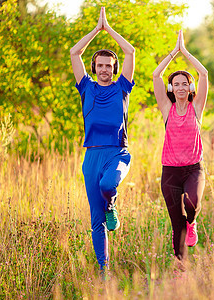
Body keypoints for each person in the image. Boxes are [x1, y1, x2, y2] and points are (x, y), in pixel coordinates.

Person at [70, 7, 135, 273]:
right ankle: (103, 271)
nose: (105, 69)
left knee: (109, 184)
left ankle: (112, 204)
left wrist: (109, 29)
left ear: (114, 68)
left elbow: (131, 52)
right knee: (96, 221)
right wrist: (95, 31)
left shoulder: (123, 87)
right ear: (95, 68)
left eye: (109, 65)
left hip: (117, 153)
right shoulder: (86, 87)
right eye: (101, 65)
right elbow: (75, 53)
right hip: (91, 157)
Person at [152, 30, 208, 267]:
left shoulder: (197, 108)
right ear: (171, 88)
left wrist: (185, 52)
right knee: (176, 222)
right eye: (176, 84)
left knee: (192, 202)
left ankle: (192, 222)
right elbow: (156, 74)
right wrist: (173, 53)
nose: (181, 87)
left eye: (185, 83)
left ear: (190, 86)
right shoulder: (167, 109)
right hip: (170, 172)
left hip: (194, 169)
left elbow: (204, 73)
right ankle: (180, 267)